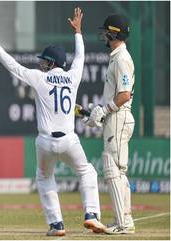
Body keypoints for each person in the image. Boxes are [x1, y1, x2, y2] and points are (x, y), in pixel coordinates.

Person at [0, 7, 105, 237]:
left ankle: (56, 224)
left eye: (43, 62)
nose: (41, 65)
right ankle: (91, 215)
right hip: (69, 140)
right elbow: (80, 57)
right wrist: (78, 32)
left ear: (49, 62)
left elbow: (13, 66)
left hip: (46, 141)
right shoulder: (73, 76)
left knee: (44, 177)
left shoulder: (40, 78)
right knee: (87, 172)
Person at [85, 13, 135, 235]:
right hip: (116, 117)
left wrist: (105, 110)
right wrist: (100, 113)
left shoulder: (122, 58)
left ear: (114, 33)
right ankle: (126, 219)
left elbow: (124, 95)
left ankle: (122, 223)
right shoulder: (117, 57)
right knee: (118, 170)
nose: (103, 35)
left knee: (112, 168)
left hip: (119, 117)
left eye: (106, 31)